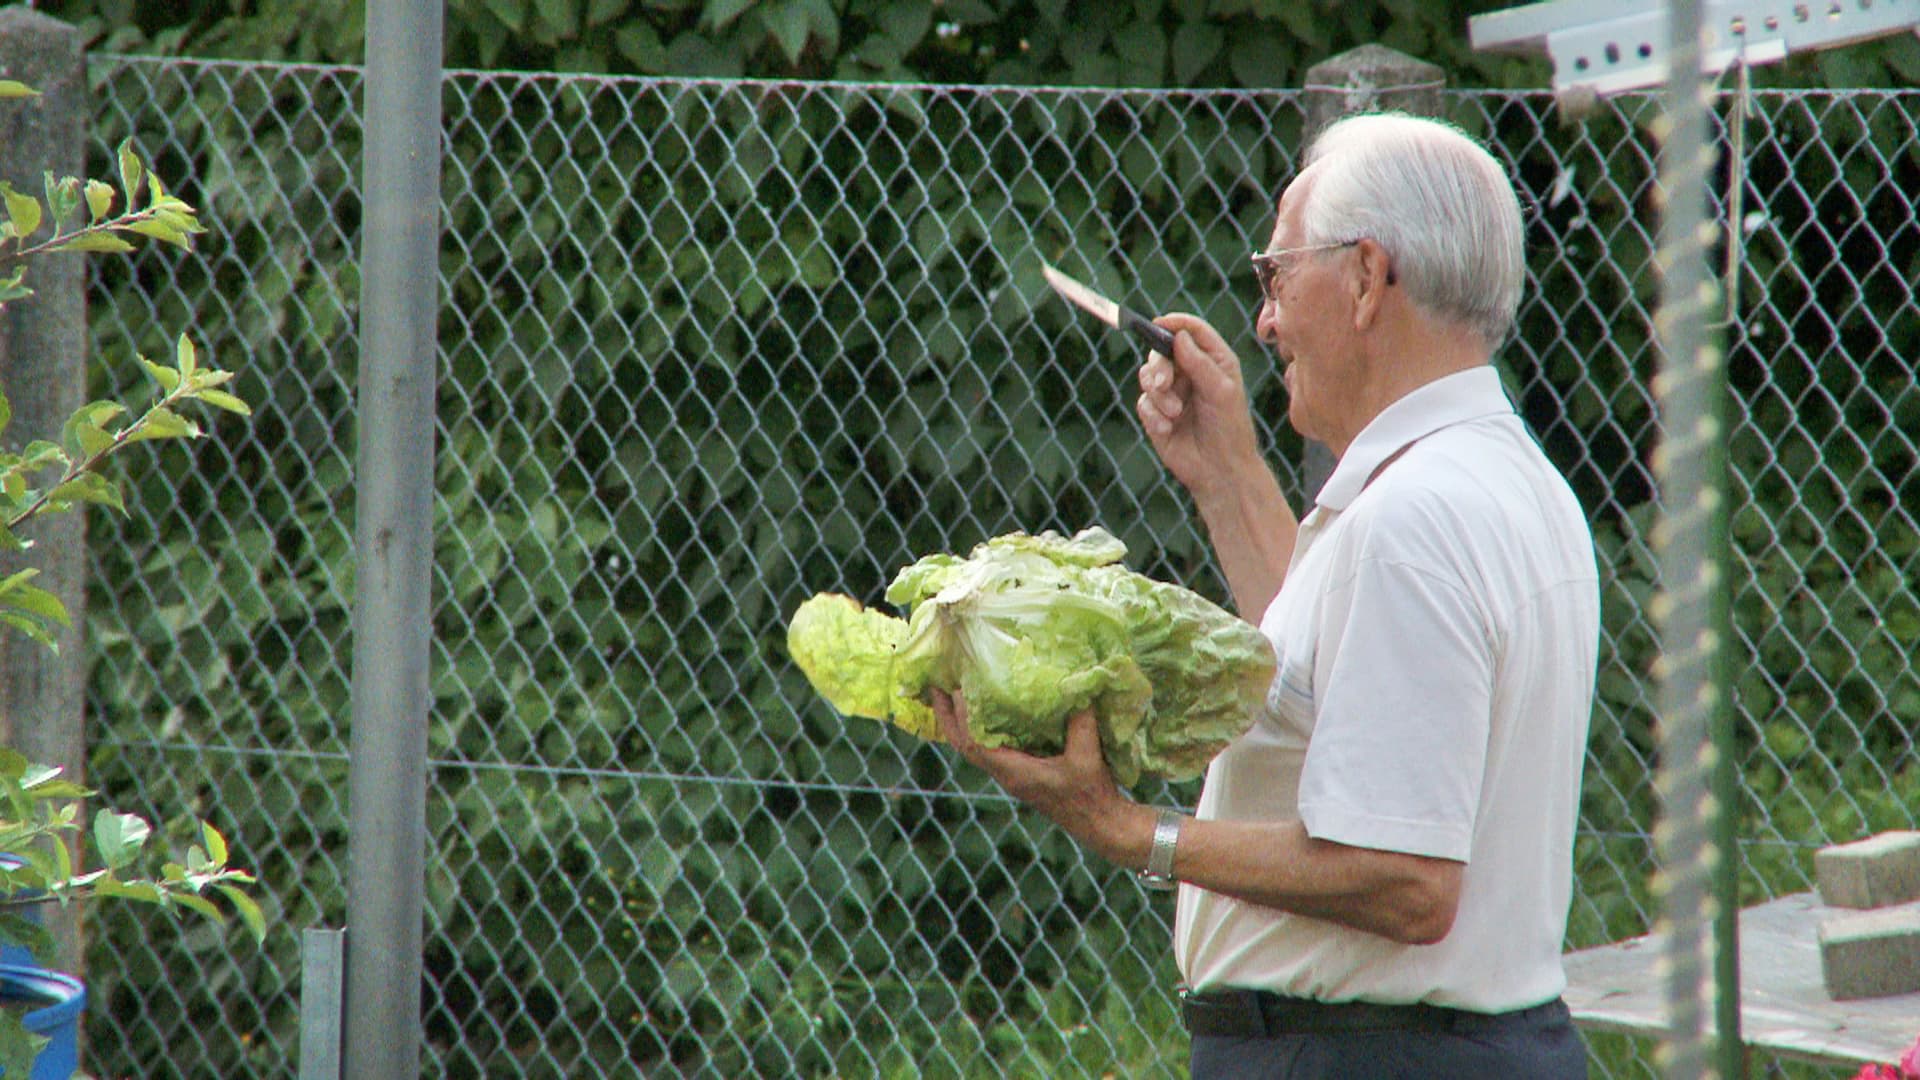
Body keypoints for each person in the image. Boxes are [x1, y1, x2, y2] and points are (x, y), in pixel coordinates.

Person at [931, 112, 1600, 1079]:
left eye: (1278, 275)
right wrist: (1227, 471)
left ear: (1369, 278)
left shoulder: (1410, 522)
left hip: (1362, 1058)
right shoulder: (1503, 481)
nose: (1266, 319)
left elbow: (1407, 880)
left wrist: (1129, 830)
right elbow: (1330, 691)